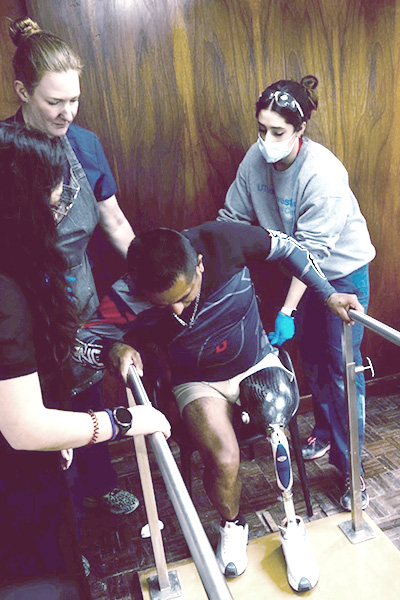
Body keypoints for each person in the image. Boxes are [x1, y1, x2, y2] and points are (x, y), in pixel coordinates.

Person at [73, 220, 363, 578]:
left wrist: (327, 293)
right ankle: (233, 525)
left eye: (184, 297)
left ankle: (292, 527)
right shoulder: (128, 291)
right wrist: (111, 349)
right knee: (224, 458)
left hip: (255, 361)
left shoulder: (222, 240)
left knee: (277, 429)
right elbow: (81, 342)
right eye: (164, 304)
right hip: (197, 382)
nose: (177, 311)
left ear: (199, 264)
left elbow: (289, 247)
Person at [0, 122, 170, 593]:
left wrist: (106, 351)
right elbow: (23, 427)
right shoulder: (7, 292)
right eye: (52, 209)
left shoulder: (24, 269)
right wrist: (124, 421)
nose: (60, 222)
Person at [217, 75, 376, 510]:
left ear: (300, 129)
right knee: (314, 365)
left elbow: (312, 253)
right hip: (293, 272)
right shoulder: (255, 160)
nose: (267, 141)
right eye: (261, 129)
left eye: (278, 132)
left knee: (342, 370)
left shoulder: (323, 172)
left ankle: (352, 470)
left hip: (339, 275)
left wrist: (287, 309)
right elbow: (232, 219)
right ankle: (324, 433)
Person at [6, 16, 138, 518]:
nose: (67, 113)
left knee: (86, 396)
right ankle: (60, 523)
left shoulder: (85, 144)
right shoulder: (5, 150)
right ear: (22, 91)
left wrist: (159, 275)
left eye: (74, 100)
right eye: (54, 102)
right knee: (38, 420)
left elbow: (115, 222)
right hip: (22, 313)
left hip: (78, 302)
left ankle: (100, 484)